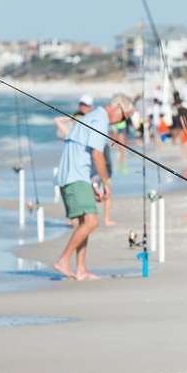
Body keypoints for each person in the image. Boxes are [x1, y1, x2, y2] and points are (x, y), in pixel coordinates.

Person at [53, 95, 133, 280]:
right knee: (91, 222)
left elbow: (83, 152)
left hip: (76, 174)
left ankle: (81, 269)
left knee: (84, 222)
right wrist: (105, 183)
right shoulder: (99, 120)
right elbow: (97, 155)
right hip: (75, 175)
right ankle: (63, 261)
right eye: (124, 117)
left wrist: (91, 184)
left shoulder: (93, 116)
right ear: (117, 108)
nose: (122, 121)